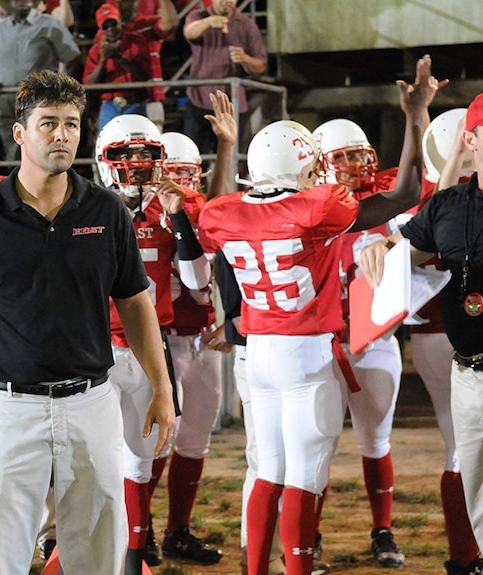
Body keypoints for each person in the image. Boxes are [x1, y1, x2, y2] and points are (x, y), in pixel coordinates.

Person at [0, 69, 176, 575]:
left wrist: (161, 386)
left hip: (92, 400)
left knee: (97, 555)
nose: (62, 135)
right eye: (48, 123)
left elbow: (136, 305)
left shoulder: (107, 210)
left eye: (72, 124)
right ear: (20, 133)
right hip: (7, 407)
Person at [198, 55, 440, 575]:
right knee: (305, 476)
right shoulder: (318, 207)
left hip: (257, 355)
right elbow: (404, 194)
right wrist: (415, 117)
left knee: (268, 471)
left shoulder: (226, 211)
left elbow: (215, 205)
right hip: (305, 355)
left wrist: (225, 146)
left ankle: (257, 568)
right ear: (303, 166)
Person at [360, 95, 483, 575]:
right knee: (474, 483)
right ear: (470, 141)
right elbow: (405, 243)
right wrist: (381, 249)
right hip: (468, 373)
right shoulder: (449, 204)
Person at [94, 114, 212, 574]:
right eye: (126, 154)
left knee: (142, 460)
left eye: (146, 154)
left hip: (148, 348)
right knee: (88, 458)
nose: (138, 164)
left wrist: (178, 217)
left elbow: (198, 279)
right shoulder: (85, 205)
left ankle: (131, 560)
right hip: (95, 349)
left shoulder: (170, 208)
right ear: (106, 159)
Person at [312, 117, 407, 568]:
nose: (353, 166)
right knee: (317, 445)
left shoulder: (384, 202)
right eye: (341, 157)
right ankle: (307, 532)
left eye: (358, 155)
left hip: (376, 337)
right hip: (323, 343)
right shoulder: (309, 208)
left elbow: (421, 205)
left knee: (376, 439)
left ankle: (383, 529)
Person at [153, 130, 227, 567]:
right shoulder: (144, 214)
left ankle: (177, 530)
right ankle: (137, 532)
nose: (181, 181)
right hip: (165, 340)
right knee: (157, 445)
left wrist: (232, 319)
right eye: (173, 172)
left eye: (188, 172)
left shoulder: (207, 212)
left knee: (196, 441)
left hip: (205, 336)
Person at [0, 0, 81, 162]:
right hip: (4, 97)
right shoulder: (1, 28)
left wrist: (61, 89)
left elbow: (74, 59)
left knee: (38, 145)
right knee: (11, 145)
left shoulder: (50, 25)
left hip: (38, 99)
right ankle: (16, 180)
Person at [181, 0, 266, 158]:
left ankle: (232, 183)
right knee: (194, 157)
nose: (227, 1)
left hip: (232, 104)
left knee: (232, 158)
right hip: (200, 99)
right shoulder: (198, 16)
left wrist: (245, 59)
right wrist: (209, 22)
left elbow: (260, 65)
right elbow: (190, 32)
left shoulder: (246, 24)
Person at [83, 3, 172, 132]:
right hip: (110, 105)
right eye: (106, 26)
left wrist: (118, 57)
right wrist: (103, 61)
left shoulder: (136, 41)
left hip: (135, 102)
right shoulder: (96, 49)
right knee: (106, 147)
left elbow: (144, 76)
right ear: (100, 28)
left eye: (113, 23)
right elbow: (89, 86)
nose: (110, 29)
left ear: (120, 21)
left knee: (139, 144)